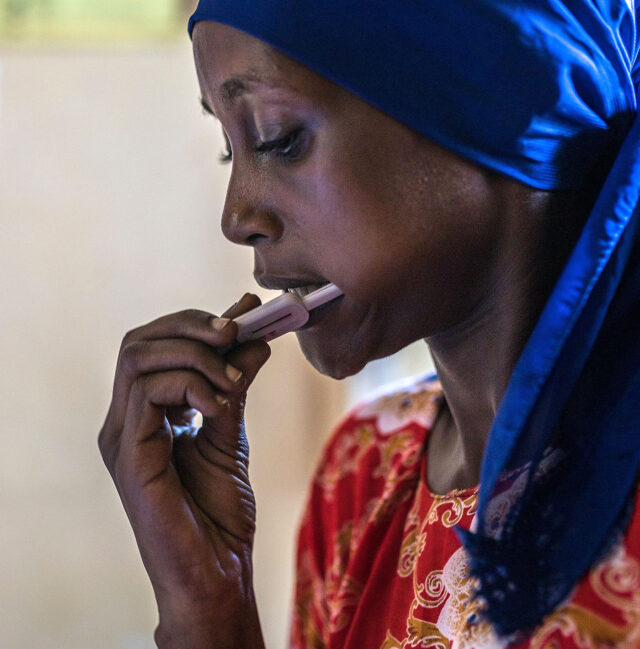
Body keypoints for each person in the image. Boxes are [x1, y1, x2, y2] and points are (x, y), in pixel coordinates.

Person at [98, 1, 640, 648]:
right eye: (228, 151)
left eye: (277, 137)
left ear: (496, 107)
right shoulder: (362, 468)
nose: (237, 215)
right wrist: (210, 607)